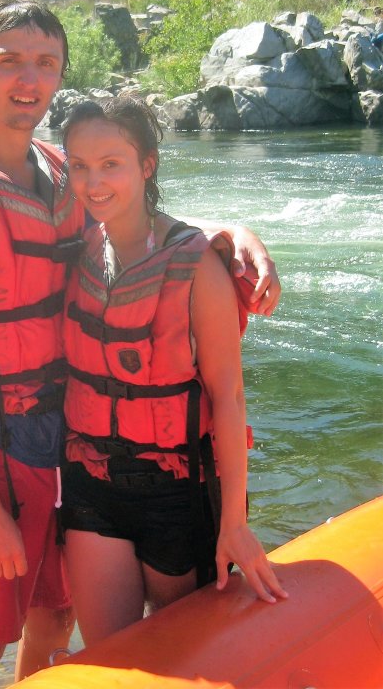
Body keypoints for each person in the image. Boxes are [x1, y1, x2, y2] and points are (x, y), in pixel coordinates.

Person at [0, 0, 281, 689]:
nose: (27, 79)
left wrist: (230, 234)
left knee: (54, 623)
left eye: (45, 63)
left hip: (66, 448)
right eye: (8, 62)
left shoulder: (63, 174)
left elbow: (135, 217)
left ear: (58, 76)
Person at [59, 96, 288, 647]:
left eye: (111, 164)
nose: (92, 182)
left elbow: (229, 399)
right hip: (92, 482)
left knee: (185, 661)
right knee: (113, 661)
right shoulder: (78, 246)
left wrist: (234, 523)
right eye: (79, 166)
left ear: (147, 165)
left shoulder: (198, 268)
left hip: (177, 491)